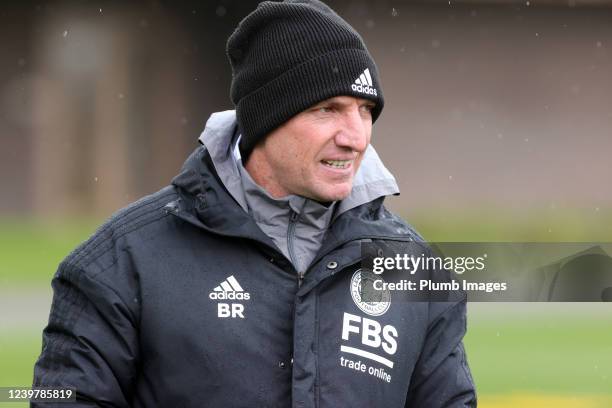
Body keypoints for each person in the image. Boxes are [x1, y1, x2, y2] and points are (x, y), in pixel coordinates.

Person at [33, 1, 477, 407]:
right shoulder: (119, 263)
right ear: (267, 118)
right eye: (328, 108)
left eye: (365, 109)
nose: (356, 136)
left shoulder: (415, 269)